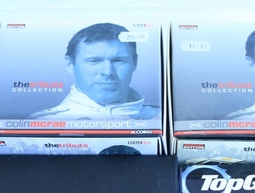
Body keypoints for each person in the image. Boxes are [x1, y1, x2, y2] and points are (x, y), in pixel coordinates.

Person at [30, 23, 160, 120]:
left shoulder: (161, 118)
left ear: (134, 63)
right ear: (70, 65)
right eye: (94, 61)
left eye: (119, 60)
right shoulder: (42, 123)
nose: (108, 71)